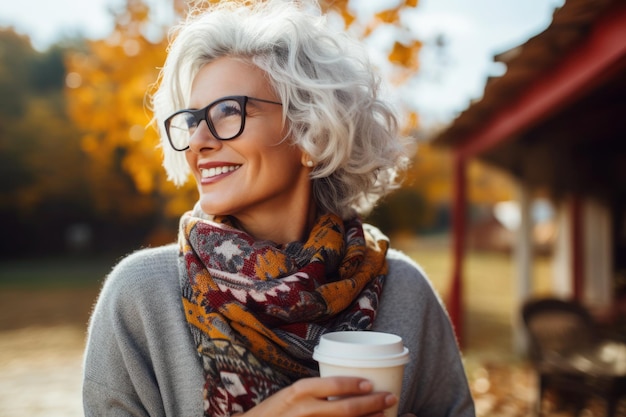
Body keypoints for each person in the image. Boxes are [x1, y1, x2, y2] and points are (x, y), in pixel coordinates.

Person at [82, 1, 476, 416]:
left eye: (227, 111)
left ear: (311, 133)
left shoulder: (405, 291)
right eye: (193, 120)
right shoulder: (140, 297)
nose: (198, 141)